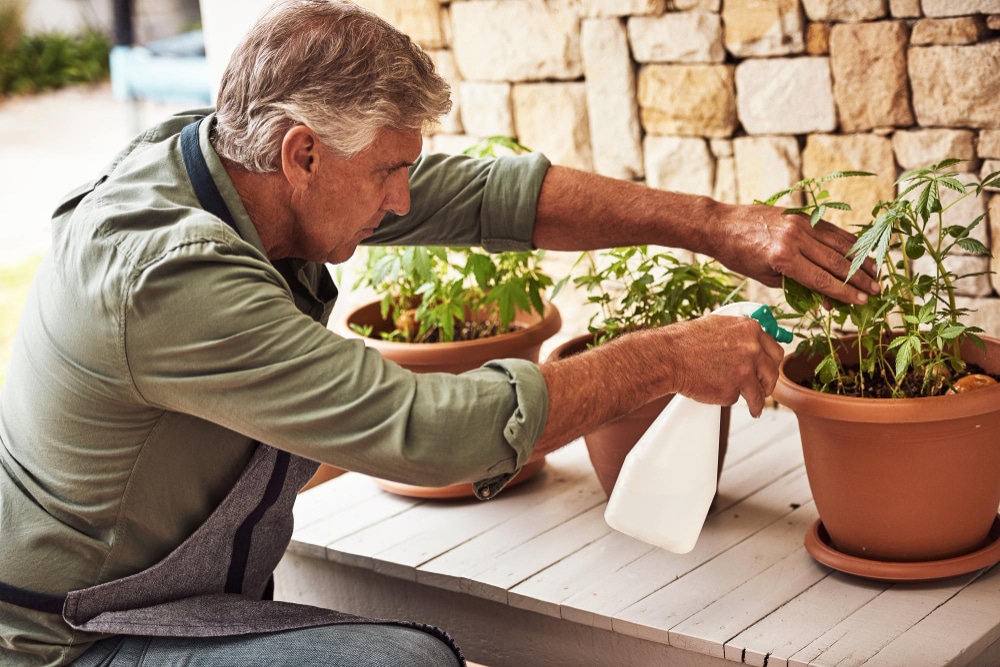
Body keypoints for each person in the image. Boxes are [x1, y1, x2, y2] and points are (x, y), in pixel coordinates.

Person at [0, 1, 878, 665]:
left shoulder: (234, 165)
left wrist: (718, 224)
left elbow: (490, 196)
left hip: (166, 587)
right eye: (389, 170)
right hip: (74, 635)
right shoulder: (168, 275)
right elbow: (431, 435)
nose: (403, 202)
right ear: (303, 153)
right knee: (407, 660)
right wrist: (668, 356)